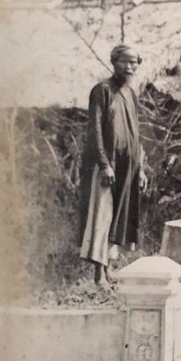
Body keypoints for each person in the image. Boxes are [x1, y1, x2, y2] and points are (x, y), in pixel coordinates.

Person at [78, 43, 149, 286]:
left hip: (128, 166)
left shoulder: (130, 94)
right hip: (107, 164)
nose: (130, 67)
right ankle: (98, 276)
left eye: (134, 62)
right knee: (103, 215)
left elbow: (135, 132)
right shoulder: (102, 90)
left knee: (119, 215)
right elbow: (95, 129)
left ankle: (108, 270)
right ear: (113, 62)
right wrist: (104, 163)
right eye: (124, 61)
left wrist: (140, 167)